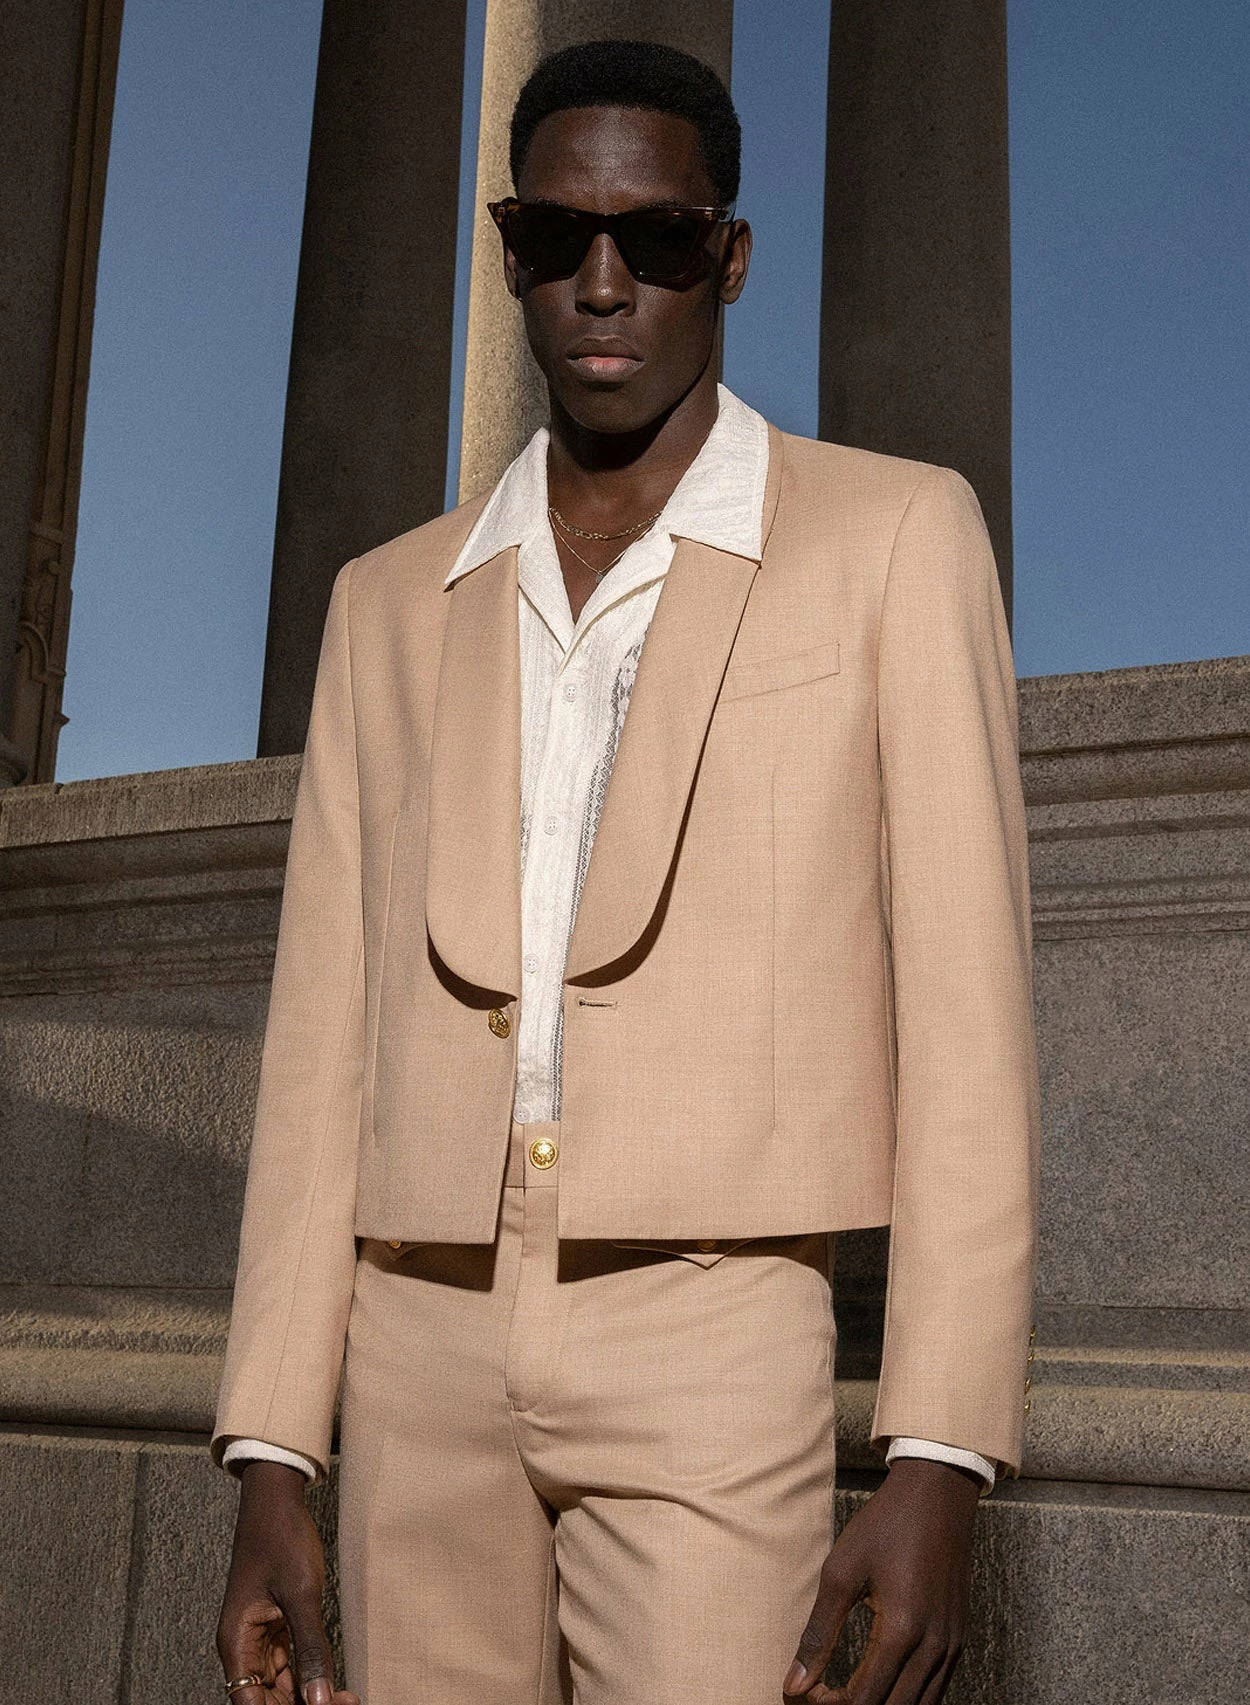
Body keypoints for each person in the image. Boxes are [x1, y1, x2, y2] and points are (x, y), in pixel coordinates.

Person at [213, 39, 1038, 1705]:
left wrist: (940, 1449)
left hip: (715, 1328)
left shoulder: (893, 534)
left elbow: (968, 1015)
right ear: (511, 246)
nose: (604, 286)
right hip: (412, 1335)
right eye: (554, 239)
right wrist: (270, 1452)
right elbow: (320, 1049)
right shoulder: (389, 599)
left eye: (655, 241)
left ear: (726, 257)